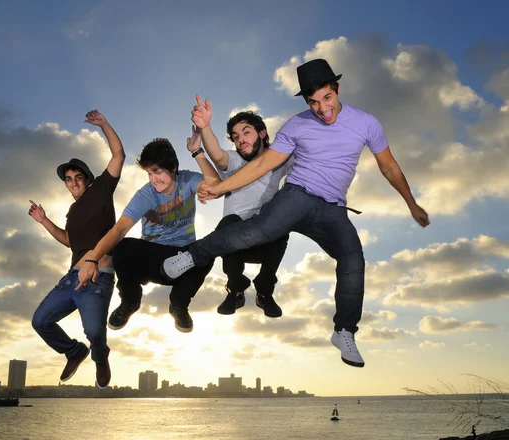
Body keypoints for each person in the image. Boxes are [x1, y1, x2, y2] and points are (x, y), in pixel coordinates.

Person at [162, 59, 430, 368]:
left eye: (327, 98)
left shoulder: (366, 123)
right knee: (255, 231)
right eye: (313, 102)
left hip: (333, 209)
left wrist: (411, 203)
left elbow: (388, 165)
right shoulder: (297, 125)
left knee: (354, 258)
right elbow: (262, 164)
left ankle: (344, 331)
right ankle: (192, 255)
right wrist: (221, 188)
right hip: (298, 196)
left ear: (337, 89)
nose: (322, 108)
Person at [76, 126, 220, 333]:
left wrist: (197, 152)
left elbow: (216, 188)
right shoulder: (146, 195)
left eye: (158, 172)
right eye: (149, 173)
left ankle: (179, 304)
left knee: (210, 248)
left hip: (183, 259)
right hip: (153, 261)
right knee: (123, 246)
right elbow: (119, 229)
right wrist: (92, 259)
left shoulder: (188, 180)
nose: (154, 179)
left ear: (173, 168)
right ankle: (130, 301)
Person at [30, 110, 125, 388]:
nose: (73, 182)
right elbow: (70, 241)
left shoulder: (101, 192)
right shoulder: (72, 210)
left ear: (88, 179)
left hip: (98, 277)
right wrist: (44, 220)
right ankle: (74, 351)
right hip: (71, 278)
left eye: (78, 177)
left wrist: (104, 124)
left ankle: (99, 355)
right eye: (68, 179)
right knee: (40, 321)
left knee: (95, 331)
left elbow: (118, 154)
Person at [191, 95, 293, 317]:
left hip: (266, 240)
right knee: (229, 223)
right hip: (234, 245)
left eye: (246, 132)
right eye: (236, 137)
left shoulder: (278, 159)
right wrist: (205, 127)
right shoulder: (236, 161)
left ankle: (264, 291)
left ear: (262, 133)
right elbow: (218, 156)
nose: (241, 140)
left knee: (281, 221)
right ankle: (236, 288)